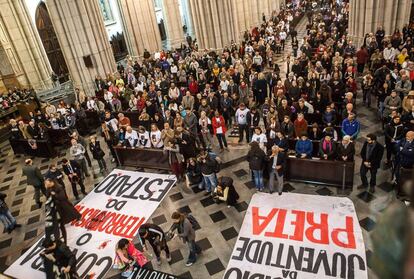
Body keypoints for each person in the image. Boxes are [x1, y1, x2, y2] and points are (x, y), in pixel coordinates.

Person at [44, 178, 80, 244]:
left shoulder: (59, 187)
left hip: (64, 203)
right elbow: (47, 196)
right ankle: (65, 221)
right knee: (62, 214)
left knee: (71, 211)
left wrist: (54, 194)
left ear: (51, 182)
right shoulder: (48, 188)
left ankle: (78, 216)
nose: (47, 185)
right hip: (57, 205)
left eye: (47, 184)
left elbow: (62, 196)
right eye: (46, 184)